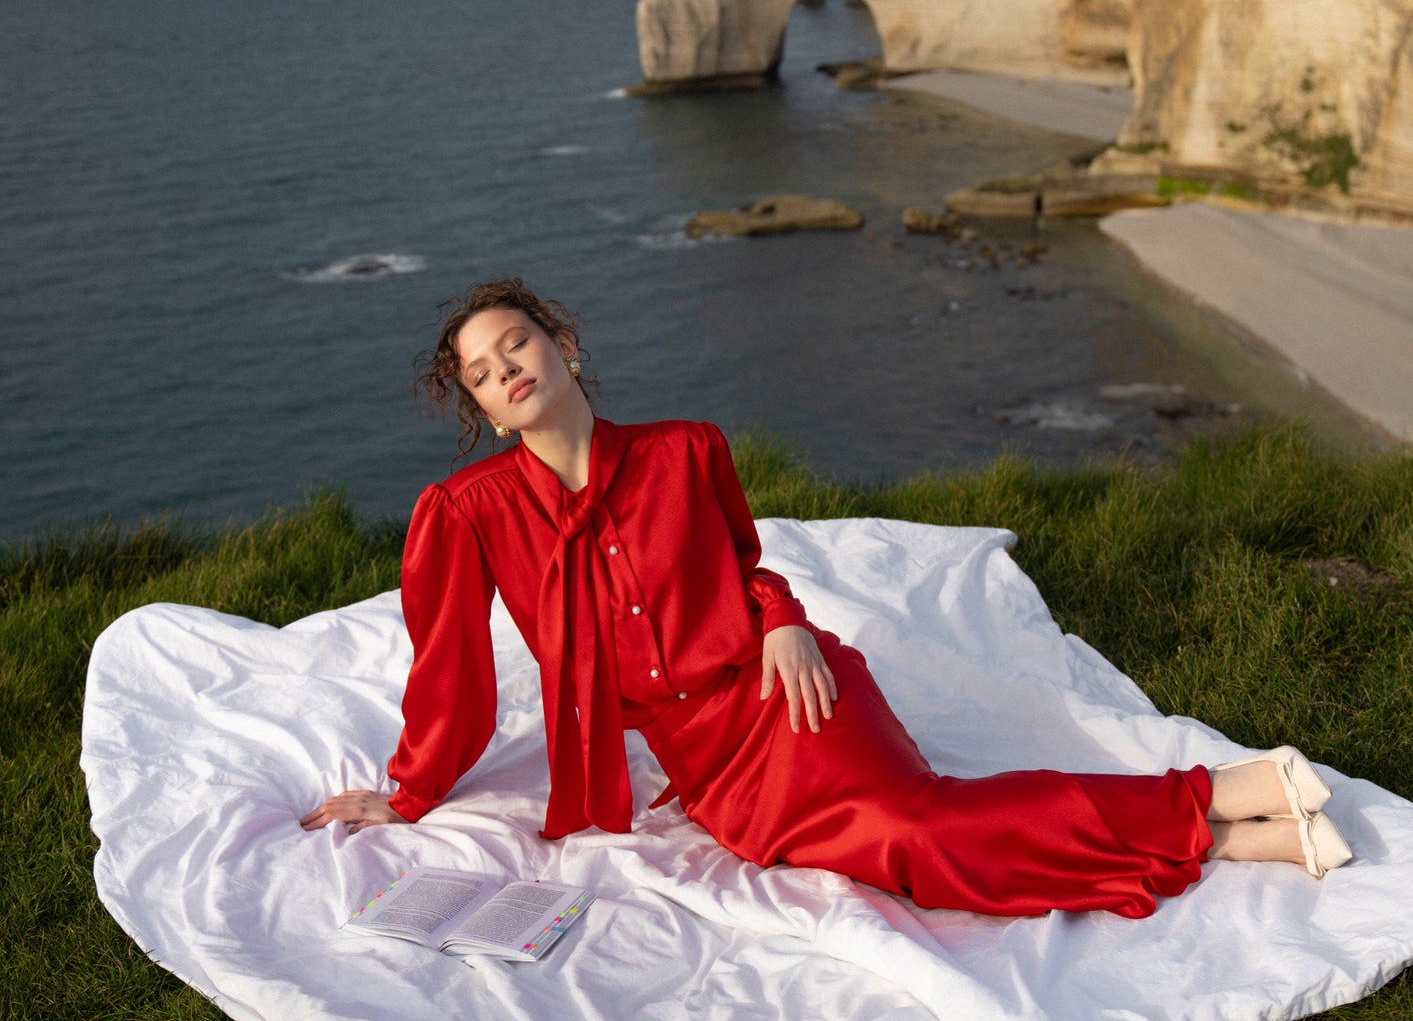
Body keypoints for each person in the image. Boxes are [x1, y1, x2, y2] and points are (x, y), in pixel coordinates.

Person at [301, 279, 1353, 916]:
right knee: (911, 863)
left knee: (918, 830)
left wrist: (787, 623)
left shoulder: (686, 450)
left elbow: (744, 566)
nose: (504, 370)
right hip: (710, 771)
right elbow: (452, 672)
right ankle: (1225, 820)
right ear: (483, 411)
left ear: (564, 344)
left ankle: (1220, 803)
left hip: (784, 696)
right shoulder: (466, 511)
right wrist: (408, 789)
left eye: (515, 343)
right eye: (481, 373)